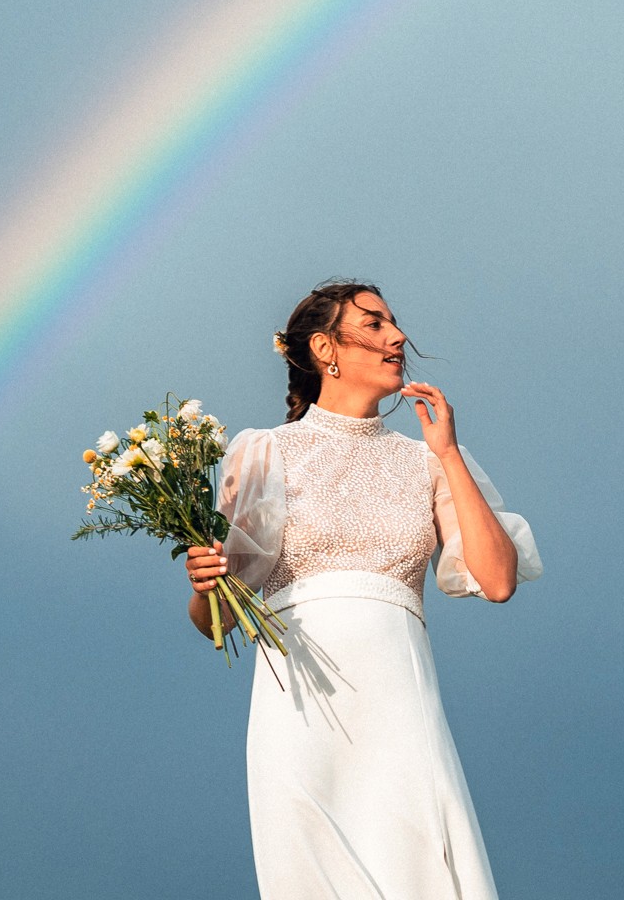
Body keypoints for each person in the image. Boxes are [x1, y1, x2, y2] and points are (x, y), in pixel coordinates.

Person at [184, 280, 542, 900]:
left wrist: (448, 453)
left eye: (393, 323)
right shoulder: (266, 452)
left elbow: (498, 580)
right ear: (326, 348)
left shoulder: (424, 461)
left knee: (418, 855)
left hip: (399, 697)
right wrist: (205, 581)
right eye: (374, 325)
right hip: (297, 700)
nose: (398, 337)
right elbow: (220, 611)